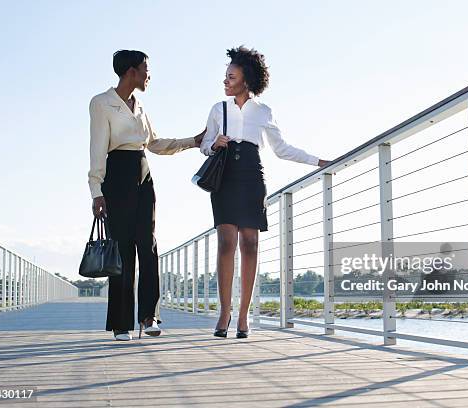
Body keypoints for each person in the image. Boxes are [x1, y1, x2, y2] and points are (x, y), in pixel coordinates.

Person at [200, 46, 330, 338]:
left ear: (246, 79)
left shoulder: (264, 111)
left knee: (250, 244)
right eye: (225, 76)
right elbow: (205, 144)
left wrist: (317, 161)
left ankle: (243, 317)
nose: (225, 81)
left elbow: (281, 149)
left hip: (251, 175)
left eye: (231, 76)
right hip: (225, 176)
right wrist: (214, 143)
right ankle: (224, 313)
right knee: (225, 243)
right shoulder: (218, 109)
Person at [89, 50, 205, 341]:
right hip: (117, 175)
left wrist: (193, 141)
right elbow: (97, 149)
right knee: (123, 249)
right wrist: (96, 191)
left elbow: (154, 143)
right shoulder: (102, 103)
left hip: (143, 175)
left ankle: (149, 316)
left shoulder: (139, 105)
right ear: (131, 71)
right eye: (145, 69)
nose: (148, 75)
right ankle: (121, 323)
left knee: (148, 244)